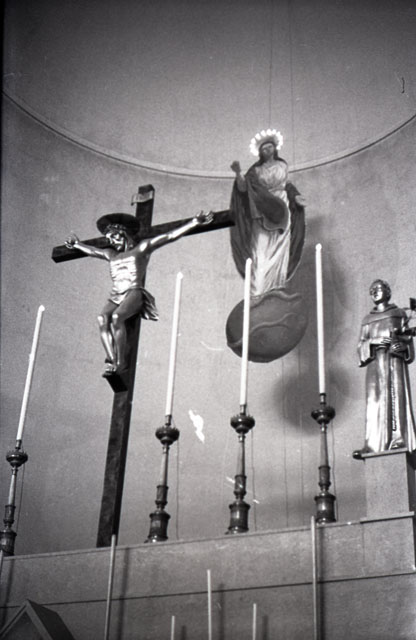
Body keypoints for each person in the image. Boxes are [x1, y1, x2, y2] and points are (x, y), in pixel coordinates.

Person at [65, 210, 213, 376]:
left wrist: (194, 222)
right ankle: (112, 359)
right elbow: (93, 251)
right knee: (102, 318)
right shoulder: (111, 254)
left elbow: (169, 236)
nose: (111, 241)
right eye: (108, 239)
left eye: (113, 237)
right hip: (116, 294)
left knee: (117, 317)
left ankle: (120, 362)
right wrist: (77, 244)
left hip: (134, 292)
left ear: (123, 233)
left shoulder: (141, 249)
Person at [230, 128, 306, 295]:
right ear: (260, 152)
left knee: (280, 250)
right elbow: (243, 188)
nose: (267, 150)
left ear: (275, 148)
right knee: (261, 250)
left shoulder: (282, 165)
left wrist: (296, 197)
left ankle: (276, 288)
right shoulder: (255, 171)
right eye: (264, 149)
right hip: (262, 211)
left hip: (281, 211)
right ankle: (259, 291)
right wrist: (238, 173)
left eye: (269, 147)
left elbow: (288, 186)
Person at [353, 279, 416, 458]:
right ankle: (372, 444)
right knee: (374, 401)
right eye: (372, 290)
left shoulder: (398, 314)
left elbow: (408, 342)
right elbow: (360, 345)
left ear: (388, 292)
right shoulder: (367, 320)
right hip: (375, 363)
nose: (374, 292)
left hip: (394, 361)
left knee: (396, 397)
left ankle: (398, 439)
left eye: (378, 288)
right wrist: (375, 341)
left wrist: (403, 348)